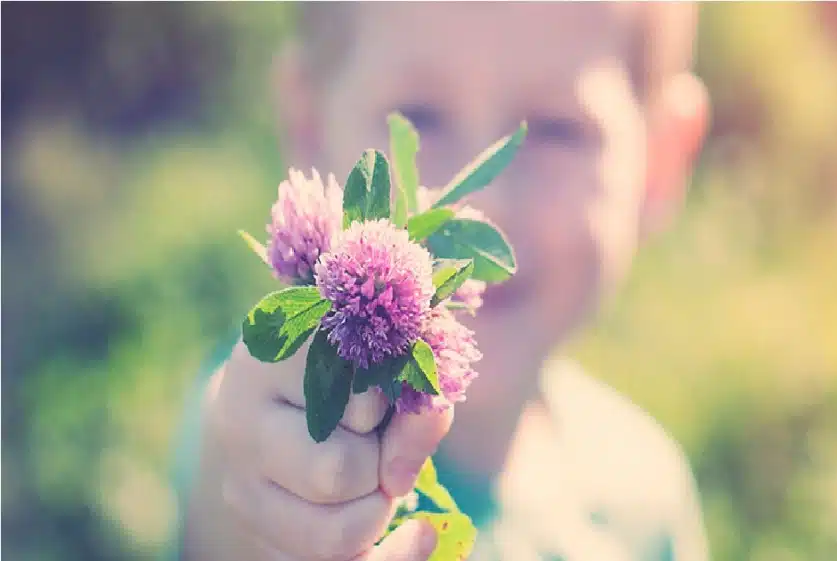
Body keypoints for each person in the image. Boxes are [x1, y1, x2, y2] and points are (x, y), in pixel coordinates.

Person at [177, 3, 711, 560]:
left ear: (661, 160)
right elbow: (236, 498)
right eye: (419, 115)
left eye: (556, 130)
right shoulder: (260, 432)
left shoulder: (649, 491)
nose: (481, 205)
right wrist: (262, 516)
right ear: (308, 125)